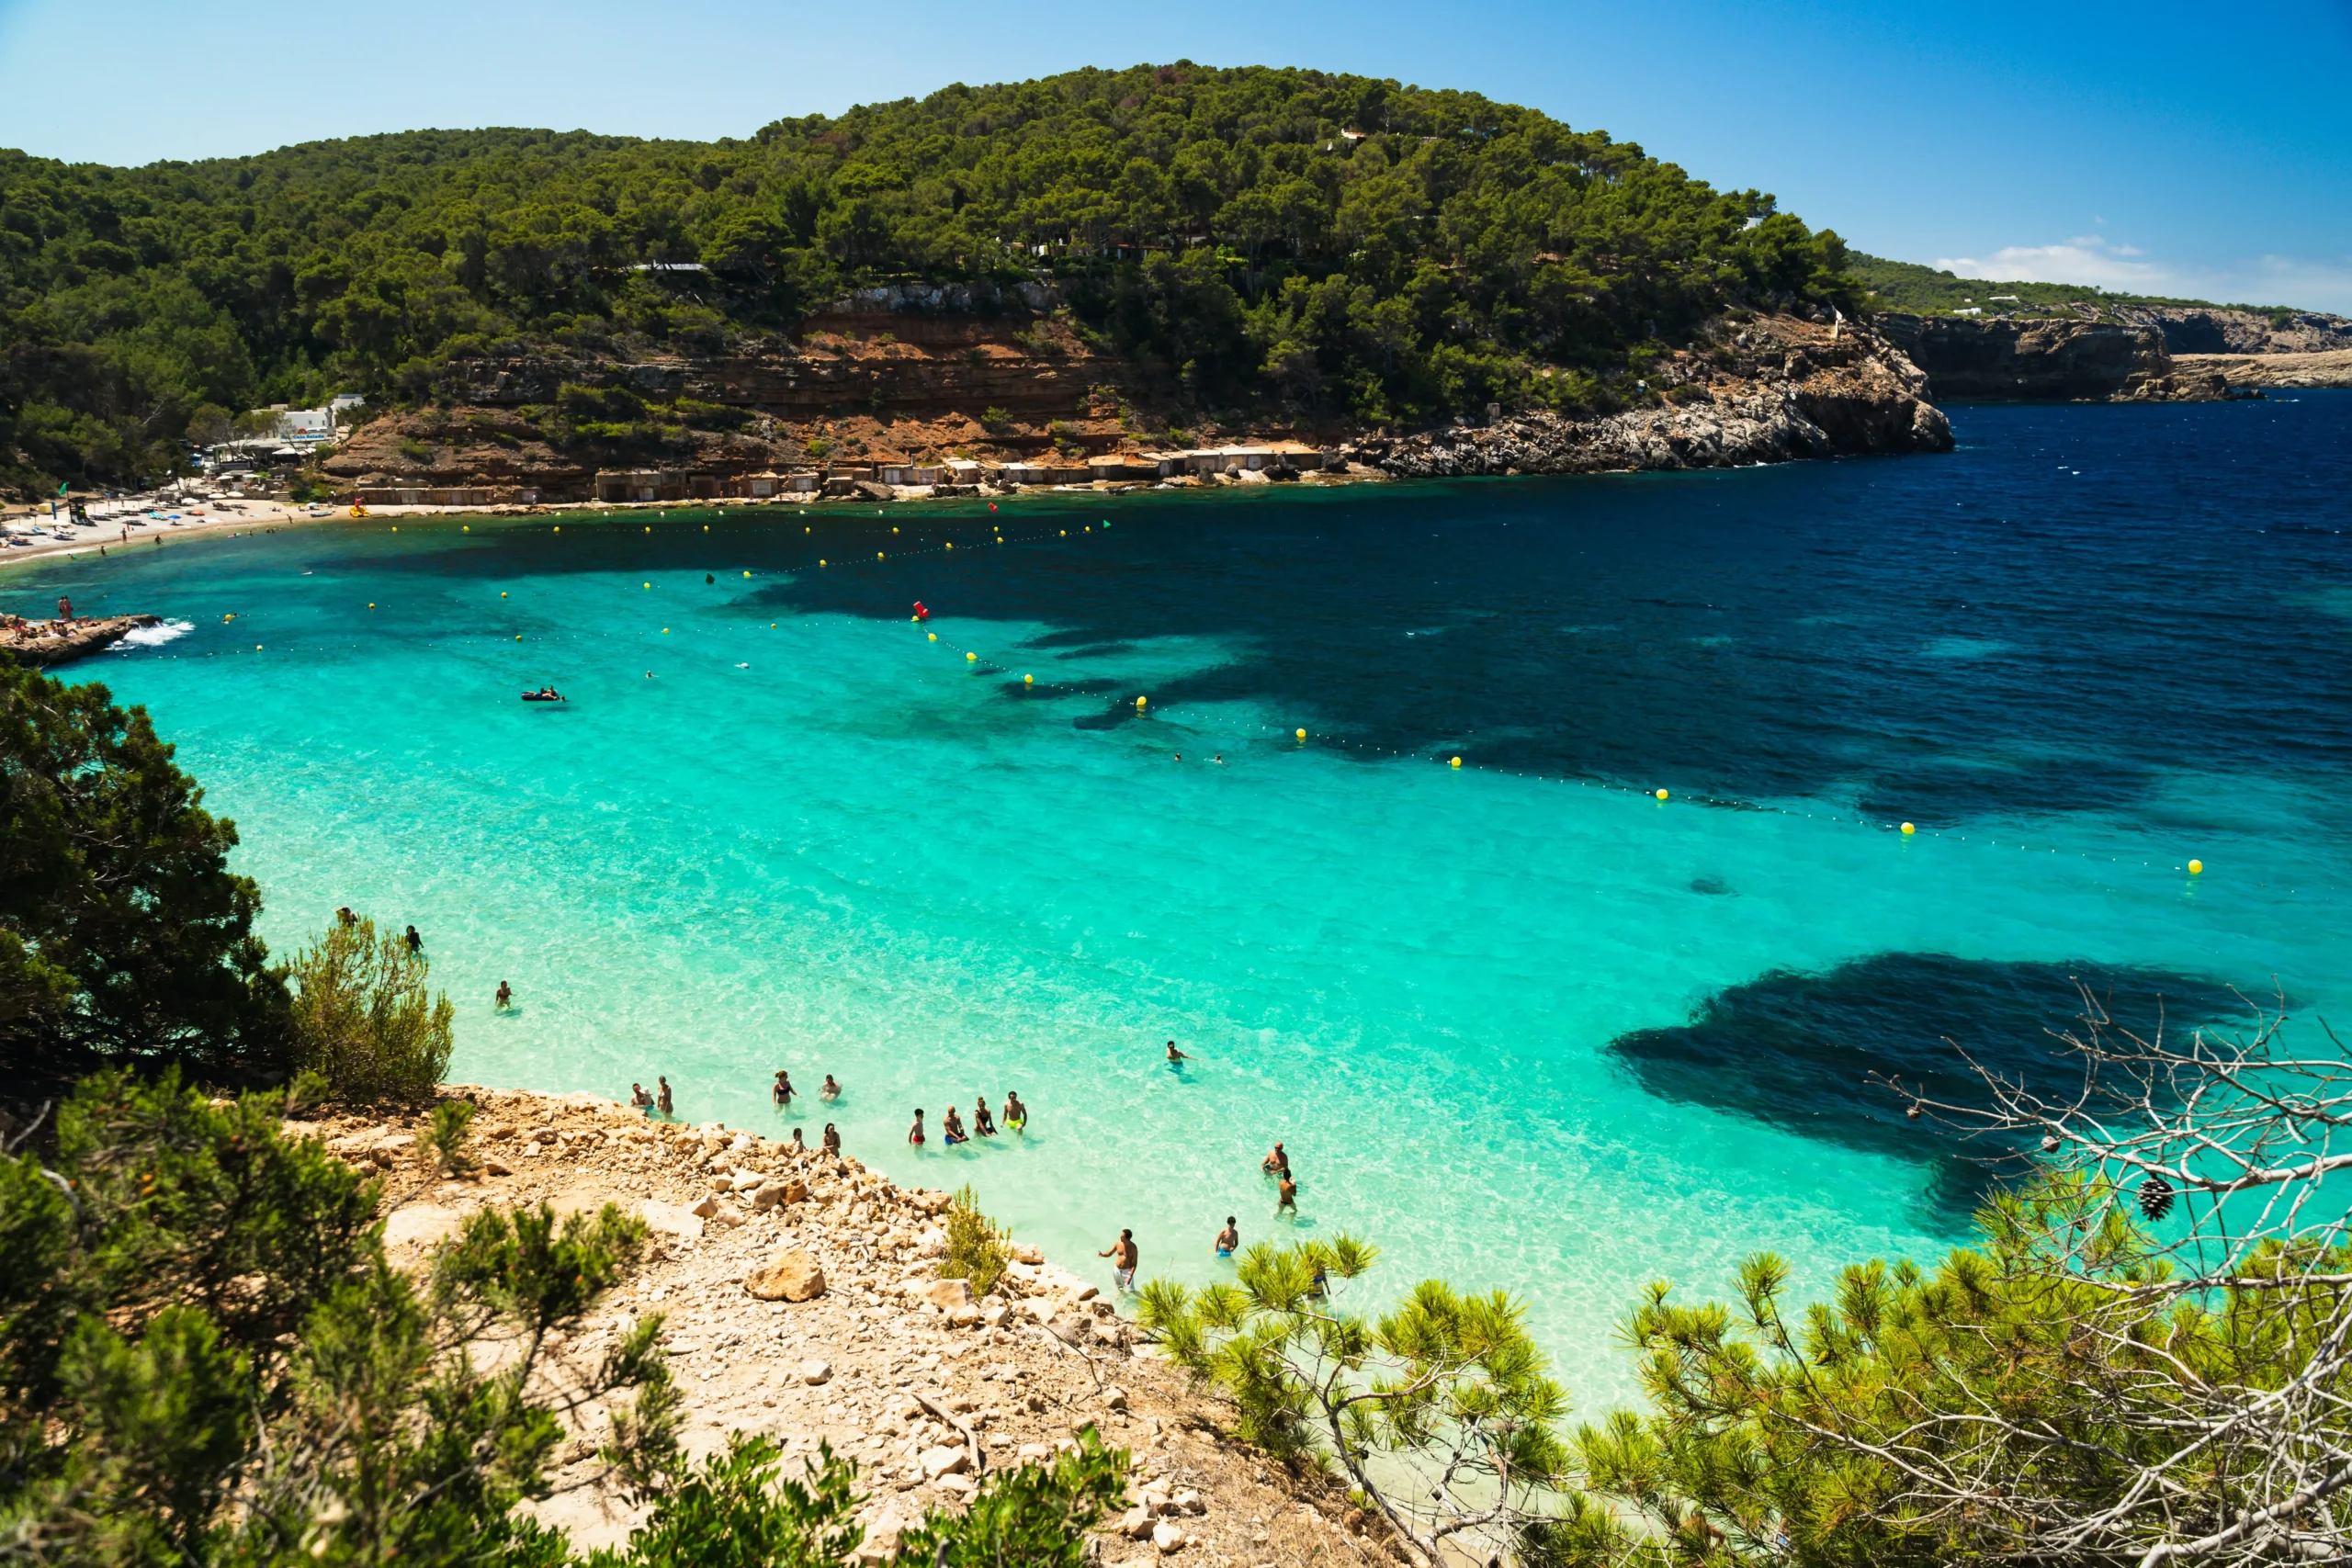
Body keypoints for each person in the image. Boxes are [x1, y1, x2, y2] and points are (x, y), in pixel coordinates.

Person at [1100, 1228, 1139, 1292]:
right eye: (1120, 1236)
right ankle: (1120, 1300)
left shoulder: (1133, 1248)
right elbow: (1110, 1253)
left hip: (1127, 1272)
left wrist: (1130, 1276)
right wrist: (1102, 1254)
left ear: (1128, 1238)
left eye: (1122, 1237)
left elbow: (1134, 1264)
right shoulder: (1118, 1243)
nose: (1120, 1237)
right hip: (1116, 1269)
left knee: (1131, 1290)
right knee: (1119, 1287)